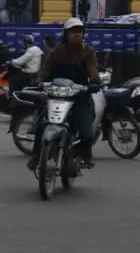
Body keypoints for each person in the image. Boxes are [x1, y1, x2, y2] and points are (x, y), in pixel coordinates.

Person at [29, 18, 100, 170]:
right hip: (56, 95)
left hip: (79, 96)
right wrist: (40, 81)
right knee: (41, 124)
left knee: (87, 133)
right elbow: (45, 70)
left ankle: (83, 154)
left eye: (79, 31)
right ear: (66, 34)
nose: (76, 34)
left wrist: (94, 82)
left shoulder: (88, 52)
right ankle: (36, 155)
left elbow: (93, 70)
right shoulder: (56, 52)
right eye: (73, 31)